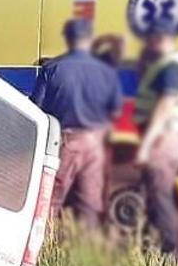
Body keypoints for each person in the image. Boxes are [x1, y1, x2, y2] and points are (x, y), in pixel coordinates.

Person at [30, 18, 122, 228]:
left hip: (66, 142)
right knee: (90, 204)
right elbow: (115, 109)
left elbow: (37, 107)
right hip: (96, 144)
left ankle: (46, 249)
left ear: (69, 39)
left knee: (51, 200)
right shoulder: (106, 72)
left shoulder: (52, 69)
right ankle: (85, 252)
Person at [132, 5, 178, 254]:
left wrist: (146, 145)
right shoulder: (165, 63)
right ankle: (153, 252)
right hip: (160, 137)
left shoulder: (171, 65)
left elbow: (165, 105)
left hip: (161, 139)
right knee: (154, 198)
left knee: (161, 199)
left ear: (160, 37)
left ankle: (168, 256)